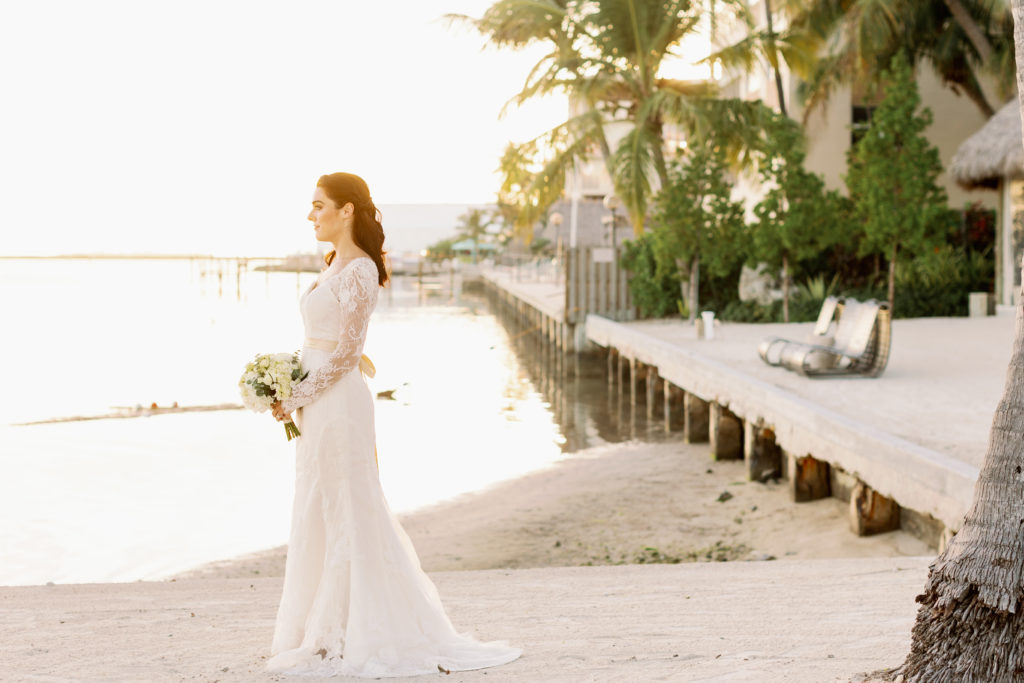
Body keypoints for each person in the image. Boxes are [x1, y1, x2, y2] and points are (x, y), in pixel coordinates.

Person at [266, 172, 522, 677]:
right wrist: (287, 389)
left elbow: (348, 352)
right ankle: (321, 630)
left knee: (349, 506)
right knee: (317, 503)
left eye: (319, 206)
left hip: (338, 403)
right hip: (316, 400)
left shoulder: (360, 269)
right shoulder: (331, 263)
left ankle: (359, 630)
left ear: (347, 211)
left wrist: (298, 392)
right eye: (311, 206)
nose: (311, 215)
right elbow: (321, 344)